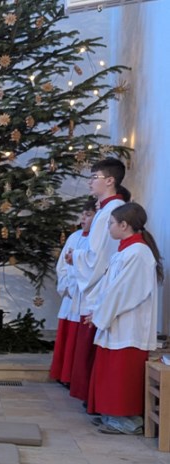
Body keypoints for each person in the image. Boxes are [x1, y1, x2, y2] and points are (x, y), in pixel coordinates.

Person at [87, 203, 162, 434]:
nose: (109, 228)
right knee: (111, 371)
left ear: (124, 225)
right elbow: (110, 287)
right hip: (116, 321)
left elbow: (123, 292)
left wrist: (100, 314)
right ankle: (112, 416)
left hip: (129, 326)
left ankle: (127, 421)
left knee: (122, 373)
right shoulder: (126, 251)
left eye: (111, 224)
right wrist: (97, 310)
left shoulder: (138, 253)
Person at [66, 158, 130, 405]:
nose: (90, 182)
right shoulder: (106, 210)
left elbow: (98, 256)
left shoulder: (110, 212)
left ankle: (95, 401)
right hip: (98, 283)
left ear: (110, 180)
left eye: (94, 177)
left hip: (101, 286)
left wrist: (76, 257)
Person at [49, 199, 96, 385]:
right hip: (70, 294)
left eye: (89, 214)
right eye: (83, 214)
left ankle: (73, 378)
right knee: (67, 336)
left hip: (83, 295)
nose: (83, 218)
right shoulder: (74, 236)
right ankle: (63, 375)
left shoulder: (97, 240)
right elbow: (62, 265)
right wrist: (66, 286)